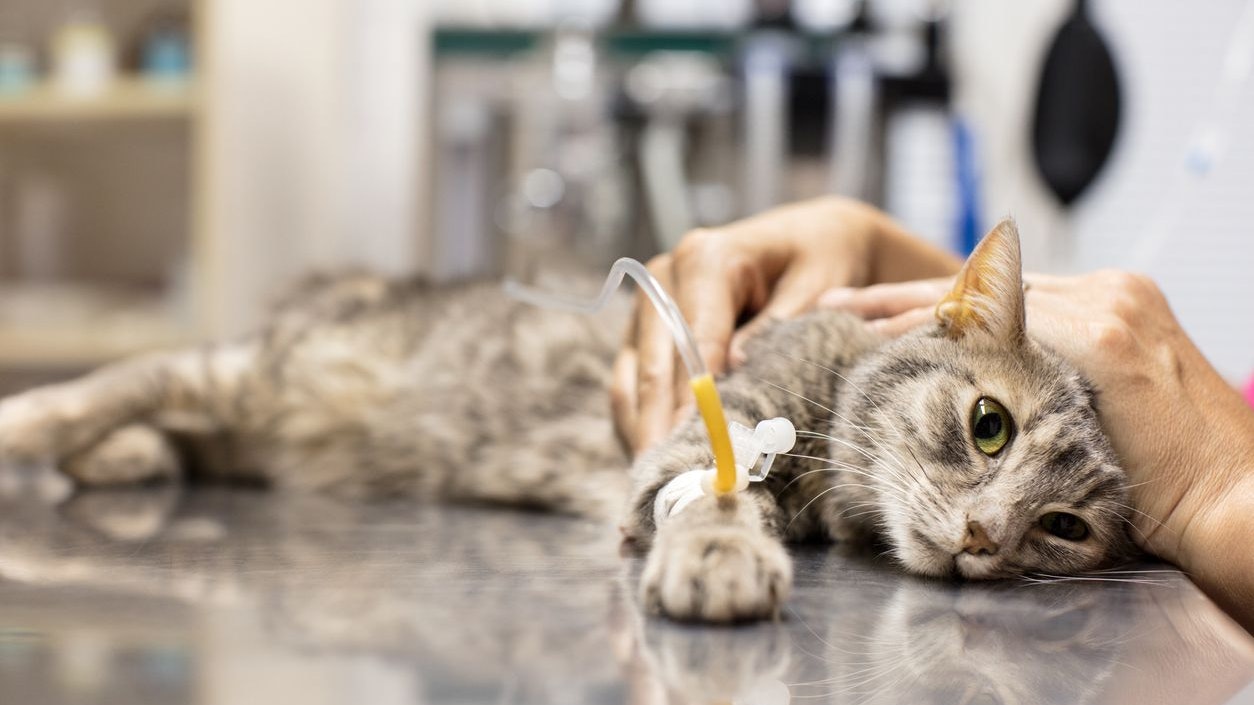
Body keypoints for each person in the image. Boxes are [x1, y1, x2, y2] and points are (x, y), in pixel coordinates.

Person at [611, 197, 1254, 630]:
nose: (988, 530)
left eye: (1065, 525)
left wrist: (1219, 484)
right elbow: (683, 468)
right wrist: (713, 521)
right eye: (989, 427)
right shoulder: (823, 356)